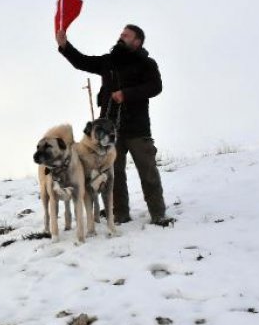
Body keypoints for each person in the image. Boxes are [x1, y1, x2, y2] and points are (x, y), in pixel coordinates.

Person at [55, 25, 172, 226]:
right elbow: (82, 62)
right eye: (121, 34)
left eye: (126, 35)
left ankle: (158, 214)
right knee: (112, 174)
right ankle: (119, 214)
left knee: (148, 171)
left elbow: (156, 87)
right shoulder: (108, 61)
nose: (121, 37)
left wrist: (126, 94)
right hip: (109, 131)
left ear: (137, 41)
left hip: (137, 128)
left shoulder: (147, 63)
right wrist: (65, 46)